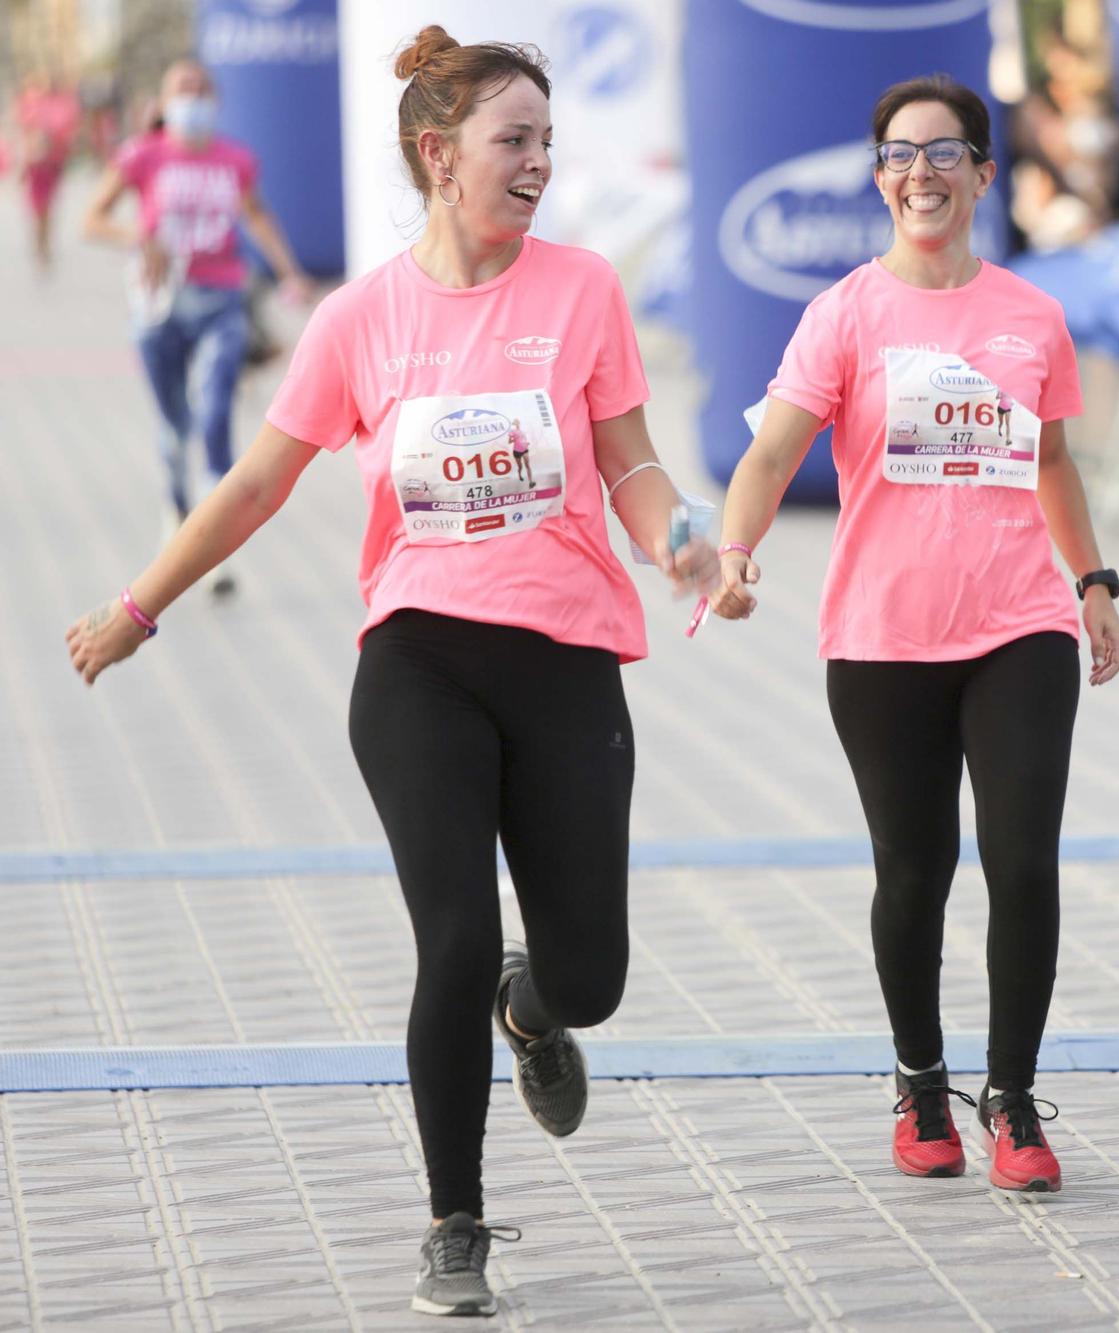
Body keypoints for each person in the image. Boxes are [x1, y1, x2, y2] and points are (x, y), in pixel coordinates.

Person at [65, 26, 718, 1318]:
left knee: (589, 973)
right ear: (439, 154)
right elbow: (259, 478)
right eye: (512, 140)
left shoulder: (582, 290)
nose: (539, 163)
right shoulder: (359, 317)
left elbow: (630, 461)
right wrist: (143, 604)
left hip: (569, 655)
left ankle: (533, 1015)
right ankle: (454, 1223)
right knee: (453, 934)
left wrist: (683, 542)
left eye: (546, 140)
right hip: (417, 659)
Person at [713, 74, 1119, 1194]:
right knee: (914, 871)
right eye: (900, 154)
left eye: (945, 153)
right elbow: (767, 454)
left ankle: (1013, 1099)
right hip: (883, 637)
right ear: (879, 178)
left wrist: (1090, 580)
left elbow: (1047, 460)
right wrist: (735, 550)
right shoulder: (845, 312)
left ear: (985, 176)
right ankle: (919, 1080)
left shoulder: (1028, 316)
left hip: (1018, 627)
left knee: (1022, 862)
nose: (922, 173)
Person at [82, 58, 312, 587]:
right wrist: (139, 238)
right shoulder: (143, 155)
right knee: (174, 425)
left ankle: (215, 549)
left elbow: (256, 216)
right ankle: (175, 512)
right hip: (159, 305)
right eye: (182, 89)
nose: (194, 98)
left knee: (214, 416)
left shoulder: (234, 159)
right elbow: (92, 217)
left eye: (203, 89)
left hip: (221, 300)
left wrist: (288, 273)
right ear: (163, 104)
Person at [12, 70, 81, 272]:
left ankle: (45, 244)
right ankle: (39, 244)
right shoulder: (30, 103)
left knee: (49, 209)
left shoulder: (62, 104)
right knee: (36, 210)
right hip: (35, 167)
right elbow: (23, 132)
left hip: (52, 166)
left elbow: (69, 131)